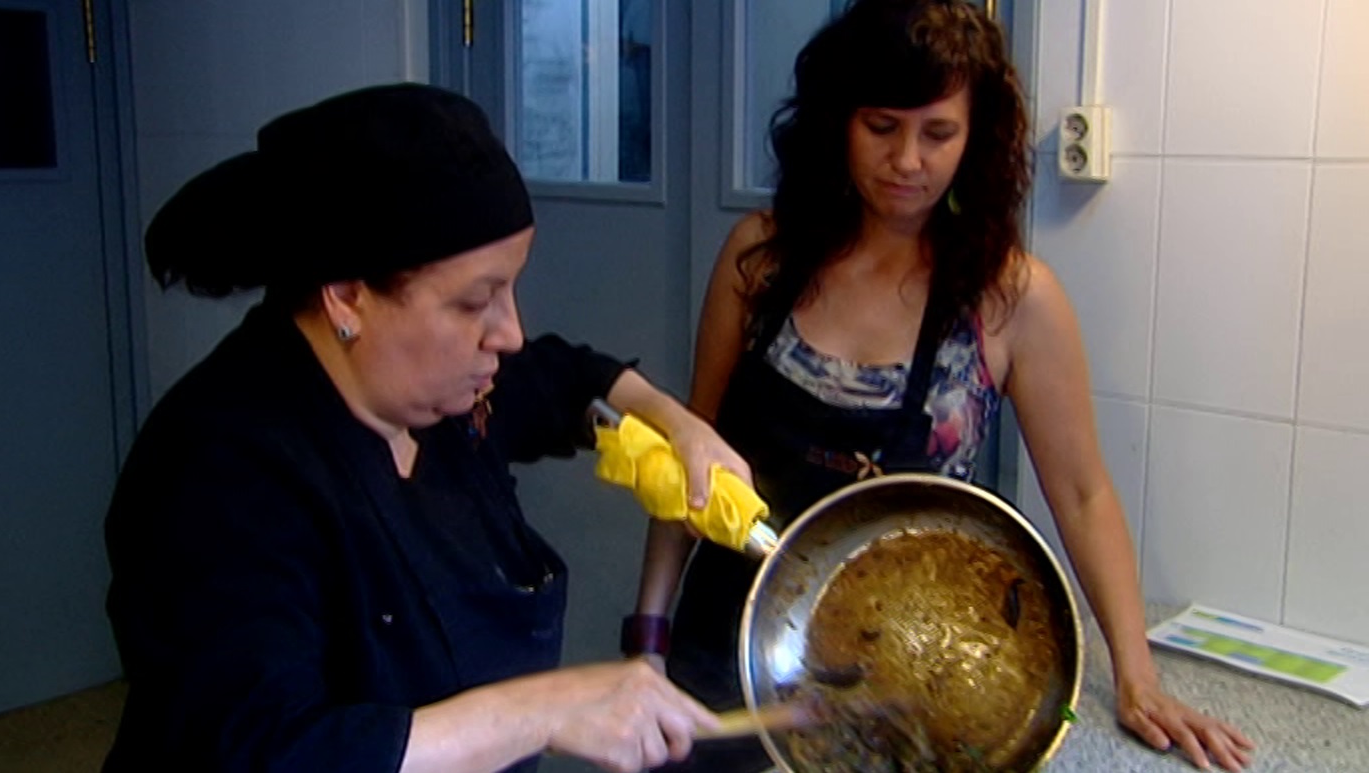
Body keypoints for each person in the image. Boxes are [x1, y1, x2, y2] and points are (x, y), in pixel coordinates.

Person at [630, 2, 1255, 771]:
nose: (907, 160)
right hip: (721, 657)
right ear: (838, 122)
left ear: (975, 138)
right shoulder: (759, 258)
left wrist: (1138, 678)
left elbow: (1084, 494)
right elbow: (690, 452)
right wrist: (647, 640)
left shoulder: (1012, 299)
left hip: (902, 688)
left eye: (938, 133)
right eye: (881, 126)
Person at [102, 83, 745, 773]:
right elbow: (266, 748)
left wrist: (678, 426)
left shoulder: (445, 390)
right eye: (475, 301)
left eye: (510, 288)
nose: (509, 332)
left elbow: (571, 377)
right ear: (347, 296)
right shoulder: (218, 469)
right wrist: (542, 710)